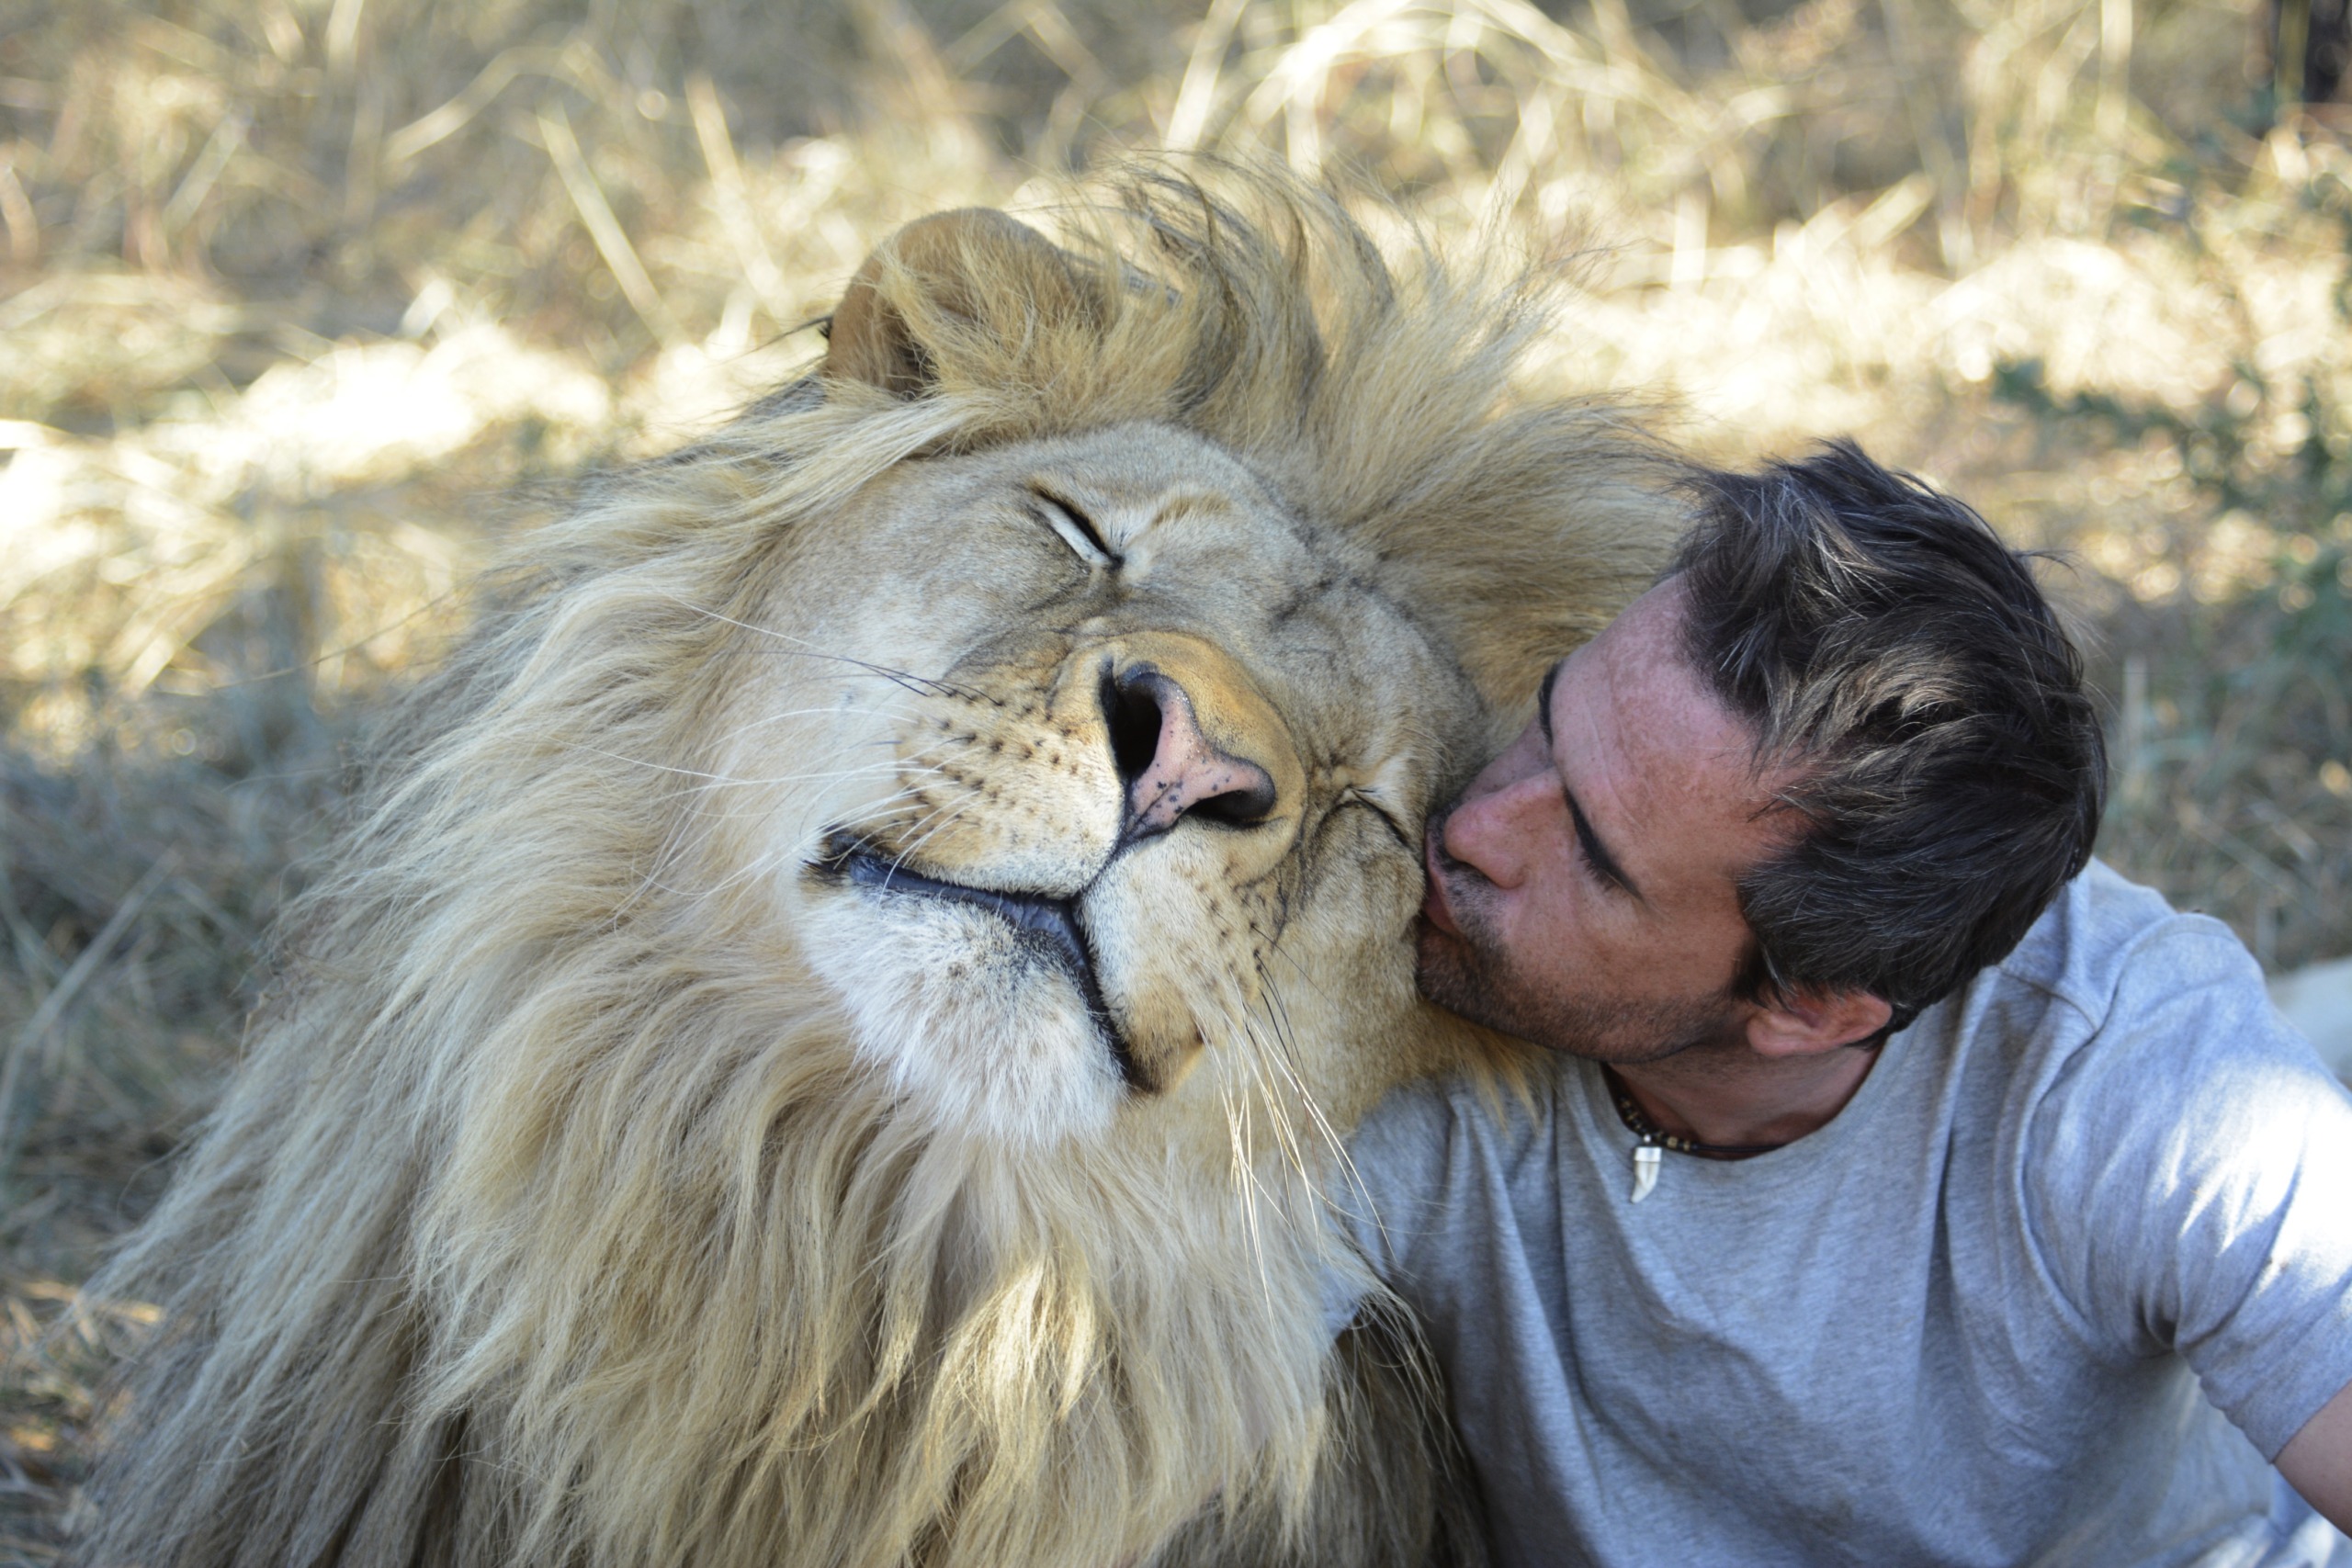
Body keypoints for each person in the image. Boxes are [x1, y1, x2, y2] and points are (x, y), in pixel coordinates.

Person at [1346, 439, 2352, 1566]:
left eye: (1589, 851)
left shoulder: (2137, 1074)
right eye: (1546, 718)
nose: (1469, 828)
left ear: (1812, 1009)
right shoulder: (1383, 1000)